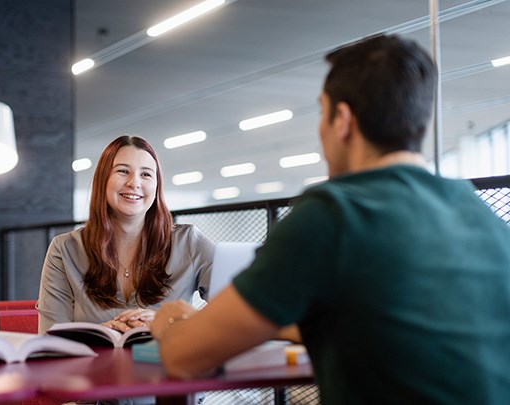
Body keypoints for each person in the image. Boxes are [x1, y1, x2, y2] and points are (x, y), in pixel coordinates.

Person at [149, 34, 510, 404]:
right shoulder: (483, 217)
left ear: (342, 120)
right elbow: (389, 325)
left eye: (322, 112)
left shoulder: (332, 215)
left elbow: (185, 359)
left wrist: (170, 323)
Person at [37, 135, 213, 334]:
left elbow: (240, 311)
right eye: (122, 171)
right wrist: (99, 334)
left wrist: (169, 321)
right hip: (94, 363)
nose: (134, 182)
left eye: (146, 174)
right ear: (103, 180)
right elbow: (50, 336)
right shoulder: (65, 249)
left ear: (156, 187)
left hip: (167, 364)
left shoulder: (189, 241)